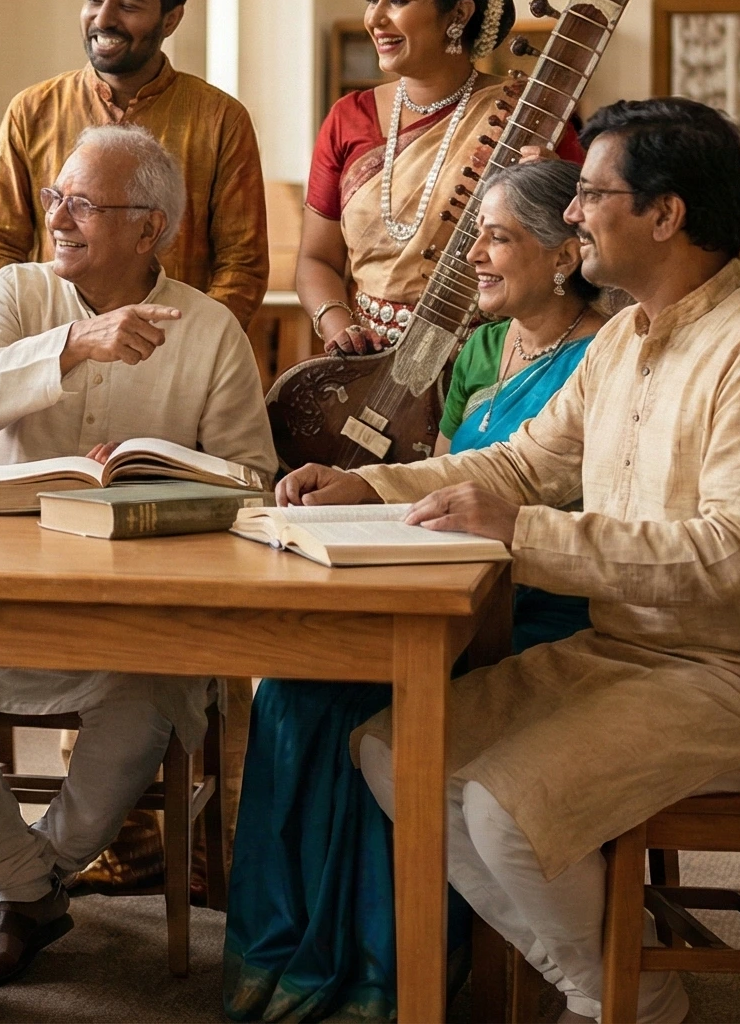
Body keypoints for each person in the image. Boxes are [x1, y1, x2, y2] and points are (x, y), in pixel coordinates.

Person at [277, 99, 740, 1024]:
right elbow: (523, 461)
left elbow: (734, 557)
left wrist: (519, 534)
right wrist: (377, 487)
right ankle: (620, 990)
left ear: (665, 215)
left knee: (504, 812)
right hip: (631, 655)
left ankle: (614, 1003)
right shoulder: (624, 338)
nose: (577, 212)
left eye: (592, 193)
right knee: (396, 754)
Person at [0, 125, 280, 990]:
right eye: (56, 197)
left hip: (140, 617)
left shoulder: (209, 330)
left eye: (84, 205)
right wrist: (72, 347)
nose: (58, 216)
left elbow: (252, 479)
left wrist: (167, 480)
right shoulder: (18, 293)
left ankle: (20, 887)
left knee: (145, 701)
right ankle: (30, 890)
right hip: (4, 598)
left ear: (150, 230)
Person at [224, 155, 604, 1024]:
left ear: (562, 255)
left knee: (342, 704)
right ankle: (298, 956)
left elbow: (547, 493)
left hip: (533, 606)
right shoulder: (480, 342)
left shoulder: (603, 355)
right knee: (290, 684)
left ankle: (380, 974)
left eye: (497, 239)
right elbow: (443, 466)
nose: (472, 258)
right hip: (441, 583)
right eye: (472, 238)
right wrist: (360, 487)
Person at [296, 0, 579, 356]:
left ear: (459, 14)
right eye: (373, 0)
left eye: (398, 1)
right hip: (366, 367)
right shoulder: (347, 118)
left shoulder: (531, 118)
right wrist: (341, 329)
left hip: (495, 364)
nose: (375, 19)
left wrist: (554, 196)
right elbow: (317, 259)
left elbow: (586, 250)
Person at [0, 0, 271, 328]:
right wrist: (37, 344)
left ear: (171, 19)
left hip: (173, 358)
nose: (104, 19)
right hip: (54, 356)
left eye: (128, 6)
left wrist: (182, 346)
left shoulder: (219, 119)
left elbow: (242, 265)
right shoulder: (33, 110)